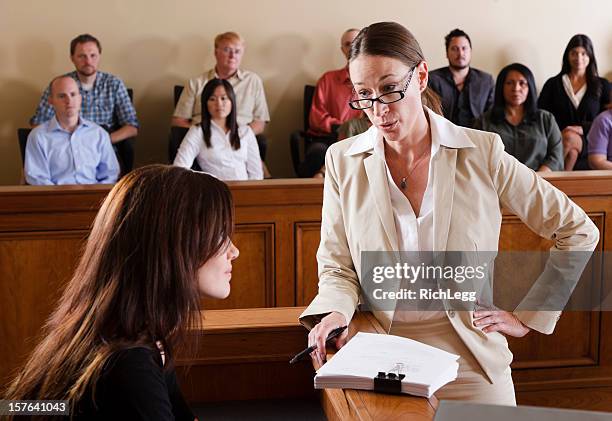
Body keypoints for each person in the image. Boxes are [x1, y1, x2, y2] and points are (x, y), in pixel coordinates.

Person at [300, 22, 598, 406]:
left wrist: (530, 315)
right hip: (380, 350)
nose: (379, 110)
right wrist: (333, 313)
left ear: (421, 75)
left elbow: (577, 229)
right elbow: (338, 268)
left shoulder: (481, 152)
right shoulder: (342, 161)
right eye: (364, 95)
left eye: (390, 89)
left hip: (469, 355)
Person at [5, 165, 239, 420]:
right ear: (171, 245)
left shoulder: (139, 334)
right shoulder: (129, 364)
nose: (234, 251)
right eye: (220, 235)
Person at [30, 34, 139, 173]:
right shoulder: (60, 85)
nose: (88, 61)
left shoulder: (114, 84)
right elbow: (37, 123)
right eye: (81, 56)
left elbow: (132, 127)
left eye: (93, 55)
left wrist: (101, 140)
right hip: (63, 150)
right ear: (72, 58)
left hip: (103, 150)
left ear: (99, 55)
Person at [172, 31, 270, 162]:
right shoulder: (196, 83)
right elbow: (179, 121)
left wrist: (236, 136)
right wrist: (207, 135)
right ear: (216, 52)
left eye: (237, 51)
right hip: (204, 140)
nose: (232, 56)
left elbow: (259, 122)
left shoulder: (253, 81)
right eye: (227, 50)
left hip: (241, 139)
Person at [25, 75, 120, 185]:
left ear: (80, 98)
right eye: (62, 96)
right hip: (55, 198)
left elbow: (110, 174)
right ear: (51, 101)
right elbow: (37, 178)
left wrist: (98, 199)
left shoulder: (99, 134)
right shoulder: (38, 136)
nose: (69, 100)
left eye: (73, 94)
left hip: (96, 199)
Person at [538, 34, 611, 170]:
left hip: (592, 141)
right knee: (571, 152)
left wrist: (583, 128)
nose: (579, 58)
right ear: (567, 55)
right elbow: (542, 115)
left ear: (590, 57)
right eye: (574, 53)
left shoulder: (603, 85)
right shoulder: (552, 84)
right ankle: (562, 188)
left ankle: (546, 181)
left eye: (584, 54)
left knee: (570, 138)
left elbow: (608, 117)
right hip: (557, 138)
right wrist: (557, 133)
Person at [474, 63, 563, 172]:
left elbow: (556, 156)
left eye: (522, 83)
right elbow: (476, 157)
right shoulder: (484, 121)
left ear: (530, 87)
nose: (516, 88)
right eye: (509, 83)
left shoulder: (546, 119)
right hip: (497, 184)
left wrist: (538, 179)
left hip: (540, 182)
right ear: (501, 87)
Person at [298, 28, 363, 178]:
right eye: (348, 44)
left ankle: (324, 173)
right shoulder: (327, 79)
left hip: (365, 137)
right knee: (317, 152)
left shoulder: (375, 80)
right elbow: (316, 118)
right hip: (330, 138)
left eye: (357, 43)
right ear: (342, 50)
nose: (352, 47)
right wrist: (343, 128)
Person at [173, 79, 263, 180]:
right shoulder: (198, 131)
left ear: (232, 101)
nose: (219, 104)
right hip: (215, 192)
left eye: (224, 98)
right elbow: (180, 167)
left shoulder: (245, 131)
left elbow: (256, 174)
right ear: (205, 103)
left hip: (244, 191)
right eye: (212, 99)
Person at [428, 29, 495, 128]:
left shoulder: (485, 81)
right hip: (443, 135)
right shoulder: (432, 79)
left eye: (464, 48)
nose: (460, 53)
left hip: (477, 136)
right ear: (447, 53)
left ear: (471, 51)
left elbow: (491, 115)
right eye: (454, 49)